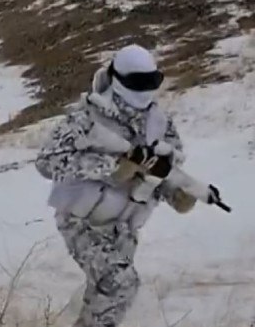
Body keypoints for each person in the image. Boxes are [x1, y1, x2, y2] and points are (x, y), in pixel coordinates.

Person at [35, 44, 186, 327]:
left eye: (152, 81)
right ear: (118, 79)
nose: (146, 90)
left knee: (106, 295)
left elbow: (166, 165)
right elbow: (47, 161)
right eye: (138, 82)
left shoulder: (159, 123)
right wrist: (110, 168)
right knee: (121, 284)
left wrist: (174, 191)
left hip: (124, 225)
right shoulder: (86, 118)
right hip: (82, 219)